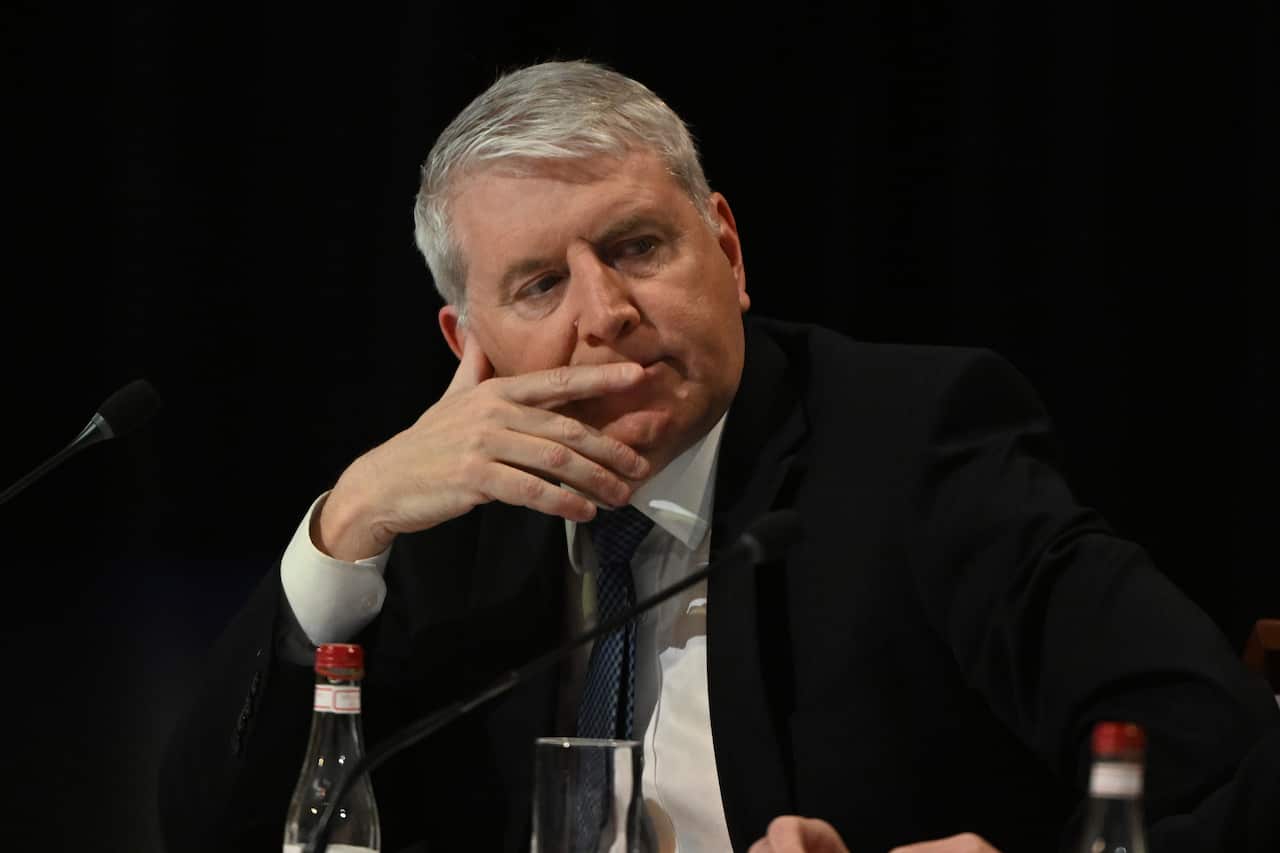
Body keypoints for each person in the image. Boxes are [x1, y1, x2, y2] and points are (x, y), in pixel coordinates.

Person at [158, 60, 1280, 852]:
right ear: (470, 344)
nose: (604, 313)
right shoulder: (444, 516)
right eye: (541, 284)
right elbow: (218, 827)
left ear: (727, 253)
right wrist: (343, 527)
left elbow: (1220, 753)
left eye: (639, 246)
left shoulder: (914, 443)